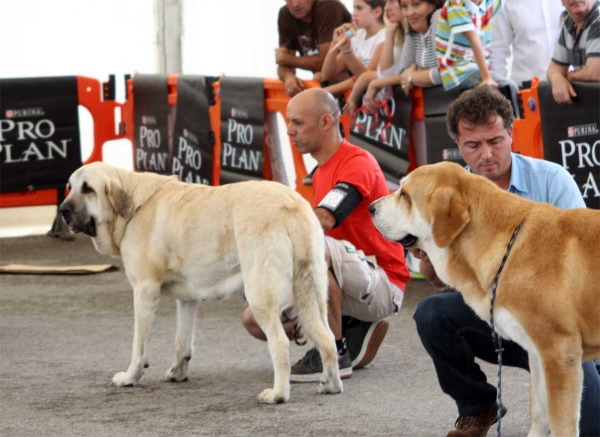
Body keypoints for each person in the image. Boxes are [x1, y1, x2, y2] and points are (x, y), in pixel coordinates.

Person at [411, 86, 600, 437]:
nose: (486, 154)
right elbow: (438, 281)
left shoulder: (551, 180)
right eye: (473, 145)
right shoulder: (448, 196)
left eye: (496, 141)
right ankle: (478, 407)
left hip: (562, 321)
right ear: (457, 145)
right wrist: (430, 256)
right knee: (432, 314)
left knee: (592, 425)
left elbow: (589, 265)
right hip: (496, 316)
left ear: (511, 134)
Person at [242, 88, 410, 382]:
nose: (290, 131)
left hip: (385, 282)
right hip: (351, 277)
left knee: (314, 245)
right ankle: (350, 324)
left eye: (297, 123)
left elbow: (321, 221)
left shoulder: (357, 162)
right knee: (255, 319)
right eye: (289, 123)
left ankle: (334, 350)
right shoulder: (320, 172)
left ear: (325, 122)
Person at [435, 0, 519, 112]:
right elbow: (474, 39)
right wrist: (486, 78)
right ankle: (517, 126)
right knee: (509, 87)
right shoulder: (456, 5)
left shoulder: (489, 3)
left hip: (475, 67)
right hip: (459, 69)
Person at [276, 0, 351, 97]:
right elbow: (282, 62)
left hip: (354, 77)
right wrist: (288, 77)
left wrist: (287, 59)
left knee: (319, 77)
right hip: (328, 84)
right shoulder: (285, 14)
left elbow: (326, 64)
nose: (295, 4)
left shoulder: (327, 5)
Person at [345, 0, 406, 115]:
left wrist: (372, 83)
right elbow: (385, 72)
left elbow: (370, 75)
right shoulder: (392, 31)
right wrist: (336, 44)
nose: (386, 8)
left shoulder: (382, 35)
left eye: (359, 8)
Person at [490, 0, 565, 88]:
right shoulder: (504, 3)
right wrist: (500, 90)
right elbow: (497, 50)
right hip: (527, 91)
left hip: (572, 86)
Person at [321, 0, 386, 95]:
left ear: (377, 12)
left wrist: (325, 92)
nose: (354, 14)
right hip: (357, 93)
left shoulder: (386, 35)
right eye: (354, 8)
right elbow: (327, 76)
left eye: (359, 8)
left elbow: (366, 78)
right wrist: (335, 42)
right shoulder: (356, 33)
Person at [547, 0, 600, 104]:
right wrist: (557, 78)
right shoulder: (568, 23)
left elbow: (593, 72)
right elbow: (554, 68)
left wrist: (568, 77)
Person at [397, 0, 444, 96]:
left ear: (433, 4)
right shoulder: (412, 24)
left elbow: (446, 73)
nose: (409, 13)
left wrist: (412, 77)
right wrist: (427, 74)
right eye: (405, 6)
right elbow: (403, 72)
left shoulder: (439, 16)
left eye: (416, 4)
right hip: (434, 104)